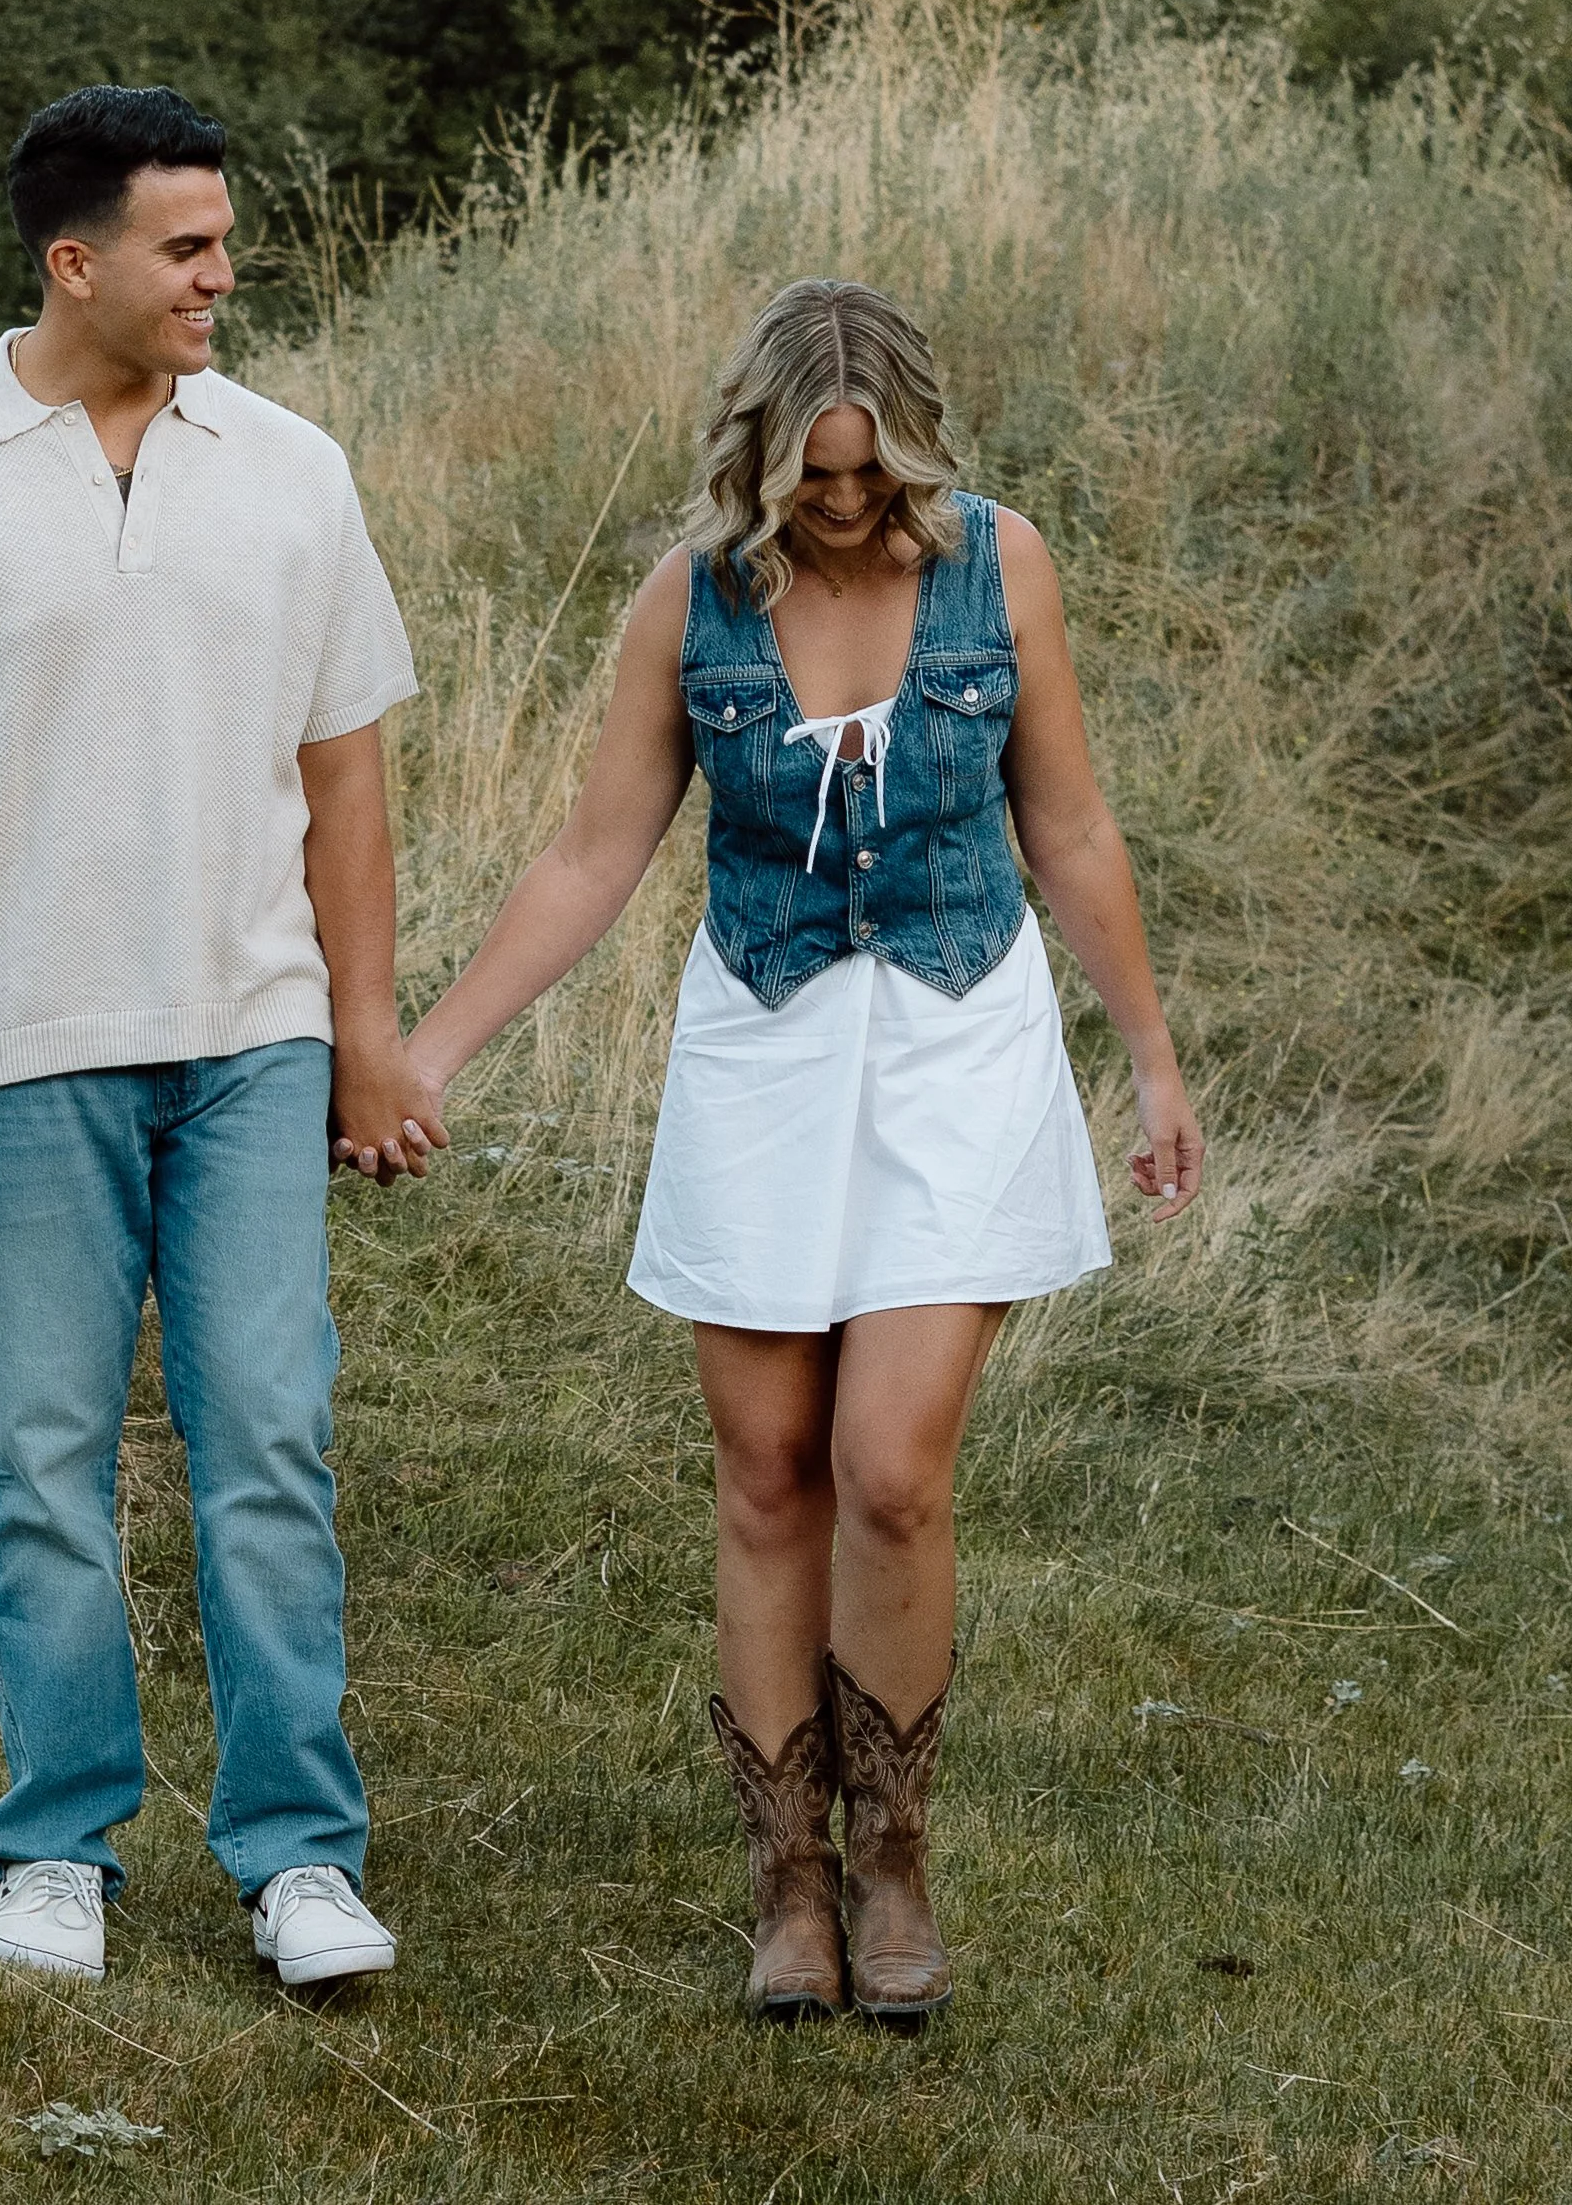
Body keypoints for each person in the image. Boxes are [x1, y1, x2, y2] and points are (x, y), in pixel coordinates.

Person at [374, 278, 1203, 2022]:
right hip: (761, 1050)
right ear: (755, 459)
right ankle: (788, 1880)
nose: (840, 502)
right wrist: (425, 1051)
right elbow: (593, 853)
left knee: (888, 1467)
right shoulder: (686, 598)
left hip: (960, 1044)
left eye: (867, 472)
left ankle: (893, 1854)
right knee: (766, 1471)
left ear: (915, 449)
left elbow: (1066, 819)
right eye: (810, 475)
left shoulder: (1000, 564)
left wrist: (1147, 1060)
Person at [0, 83, 436, 1992]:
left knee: (268, 1443)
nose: (223, 275)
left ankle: (299, 1855)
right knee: (41, 1459)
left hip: (251, 1040)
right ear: (75, 261)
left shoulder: (293, 471)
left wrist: (366, 1032)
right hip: (15, 1045)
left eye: (224, 242)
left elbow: (347, 778)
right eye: (186, 247)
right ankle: (56, 1843)